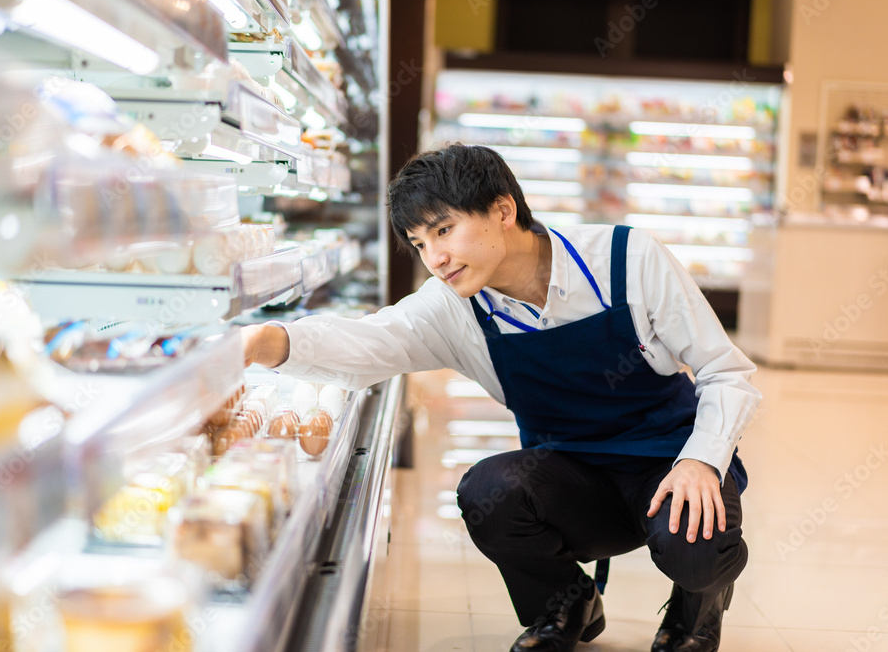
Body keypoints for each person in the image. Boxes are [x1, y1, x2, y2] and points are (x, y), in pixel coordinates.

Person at [241, 144, 759, 652]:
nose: (435, 259)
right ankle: (566, 603)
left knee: (697, 546)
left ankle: (698, 609)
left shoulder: (627, 260)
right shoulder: (452, 307)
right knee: (490, 492)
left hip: (668, 467)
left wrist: (700, 460)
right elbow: (368, 340)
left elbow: (725, 370)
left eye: (443, 230)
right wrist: (266, 343)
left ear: (503, 210)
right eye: (419, 244)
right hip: (575, 481)